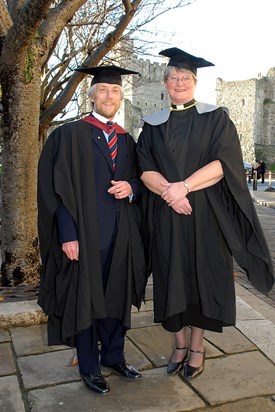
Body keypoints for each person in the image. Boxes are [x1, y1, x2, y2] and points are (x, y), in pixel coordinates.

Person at [136, 48, 274, 380]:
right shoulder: (152, 126)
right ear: (165, 82)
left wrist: (182, 186)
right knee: (171, 277)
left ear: (195, 82)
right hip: (167, 216)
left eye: (185, 77)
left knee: (203, 279)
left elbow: (223, 165)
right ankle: (179, 343)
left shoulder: (215, 119)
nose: (179, 82)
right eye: (173, 77)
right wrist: (170, 194)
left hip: (207, 217)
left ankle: (197, 346)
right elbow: (144, 169)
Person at [37, 65, 147, 395]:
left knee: (117, 298)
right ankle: (89, 366)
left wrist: (130, 187)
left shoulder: (129, 140)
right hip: (84, 235)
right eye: (103, 90)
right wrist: (67, 234)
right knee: (85, 300)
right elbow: (54, 189)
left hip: (121, 233)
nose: (109, 96)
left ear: (121, 96)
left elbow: (142, 181)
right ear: (91, 95)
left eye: (114, 91)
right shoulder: (68, 136)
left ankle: (114, 356)